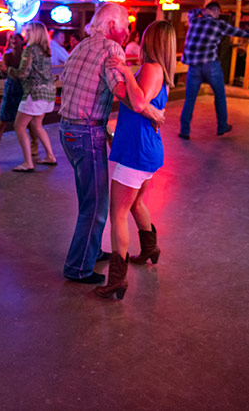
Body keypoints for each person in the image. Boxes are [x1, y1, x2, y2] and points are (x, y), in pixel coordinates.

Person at [59, 3, 165, 284]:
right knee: (96, 206)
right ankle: (78, 267)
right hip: (86, 133)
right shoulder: (111, 49)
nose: (128, 32)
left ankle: (90, 252)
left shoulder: (80, 46)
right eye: (125, 26)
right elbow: (125, 94)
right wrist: (153, 111)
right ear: (112, 27)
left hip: (68, 131)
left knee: (88, 200)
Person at [96, 20, 176, 299]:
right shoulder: (158, 70)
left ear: (150, 41)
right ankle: (150, 247)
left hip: (137, 153)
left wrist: (127, 73)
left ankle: (117, 279)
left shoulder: (152, 69)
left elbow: (140, 103)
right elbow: (141, 109)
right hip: (146, 149)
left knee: (117, 213)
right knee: (136, 203)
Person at [179, 2, 249, 140]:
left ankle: (184, 131)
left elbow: (191, 11)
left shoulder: (195, 20)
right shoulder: (218, 24)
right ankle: (222, 126)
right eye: (218, 13)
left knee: (190, 99)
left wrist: (204, 10)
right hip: (210, 65)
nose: (218, 15)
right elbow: (240, 32)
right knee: (219, 95)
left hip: (193, 66)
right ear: (215, 11)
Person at [0, 21, 57, 172]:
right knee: (37, 125)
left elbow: (22, 74)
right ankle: (50, 156)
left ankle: (28, 162)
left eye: (29, 31)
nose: (26, 34)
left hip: (34, 92)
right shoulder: (45, 50)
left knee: (19, 125)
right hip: (48, 92)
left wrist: (5, 69)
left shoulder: (30, 50)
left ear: (35, 33)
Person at [0, 32, 25, 166]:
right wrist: (1, 68)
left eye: (17, 39)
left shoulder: (26, 56)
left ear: (22, 42)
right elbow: (4, 74)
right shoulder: (6, 55)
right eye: (11, 39)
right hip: (10, 89)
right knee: (2, 121)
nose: (14, 41)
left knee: (28, 123)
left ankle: (34, 147)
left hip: (23, 89)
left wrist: (5, 68)